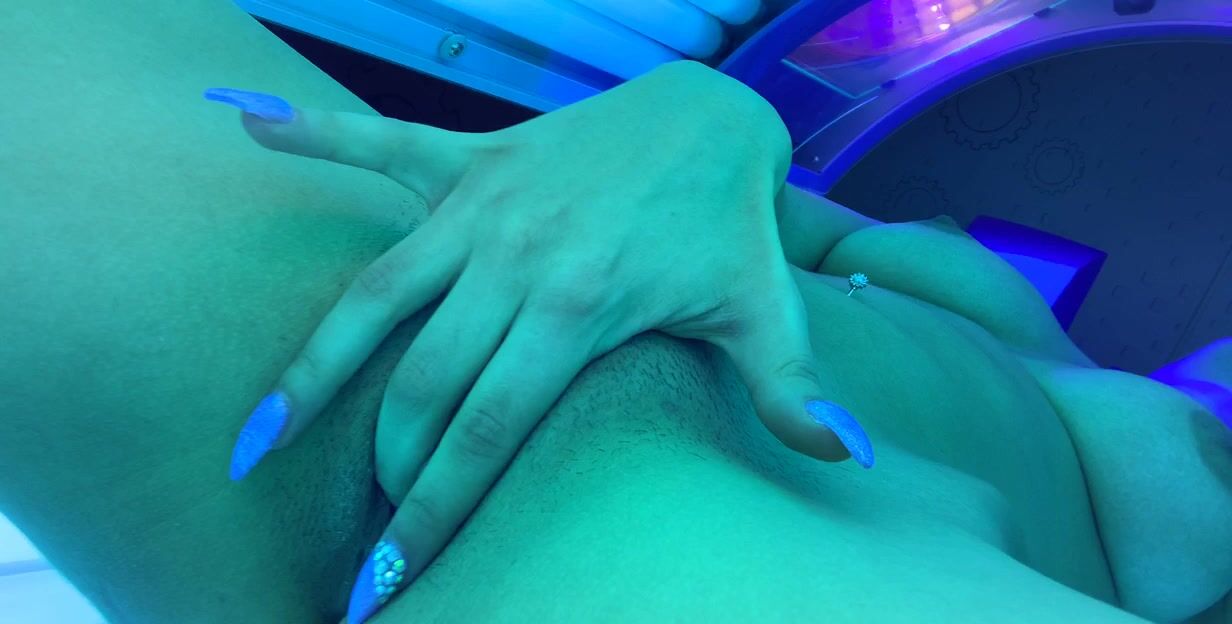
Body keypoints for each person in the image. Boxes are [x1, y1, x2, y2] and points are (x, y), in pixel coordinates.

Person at [0, 2, 1228, 624]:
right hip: (354, 329)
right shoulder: (1046, 341)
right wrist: (703, 117)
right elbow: (800, 220)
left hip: (679, 538)